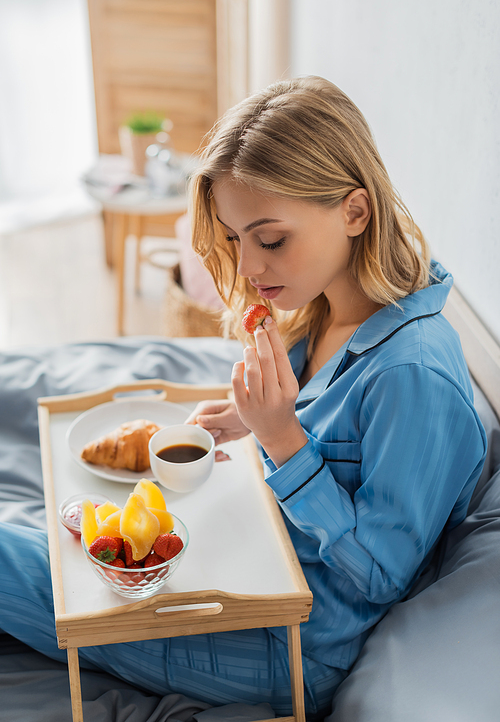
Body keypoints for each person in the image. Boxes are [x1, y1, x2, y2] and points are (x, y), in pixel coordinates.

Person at [0, 76, 487, 721]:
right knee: (63, 531)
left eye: (271, 239)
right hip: (240, 565)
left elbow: (380, 575)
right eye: (235, 239)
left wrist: (282, 438)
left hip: (280, 647)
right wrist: (250, 423)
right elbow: (324, 426)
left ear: (356, 211)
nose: (250, 267)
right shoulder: (328, 310)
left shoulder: (415, 377)